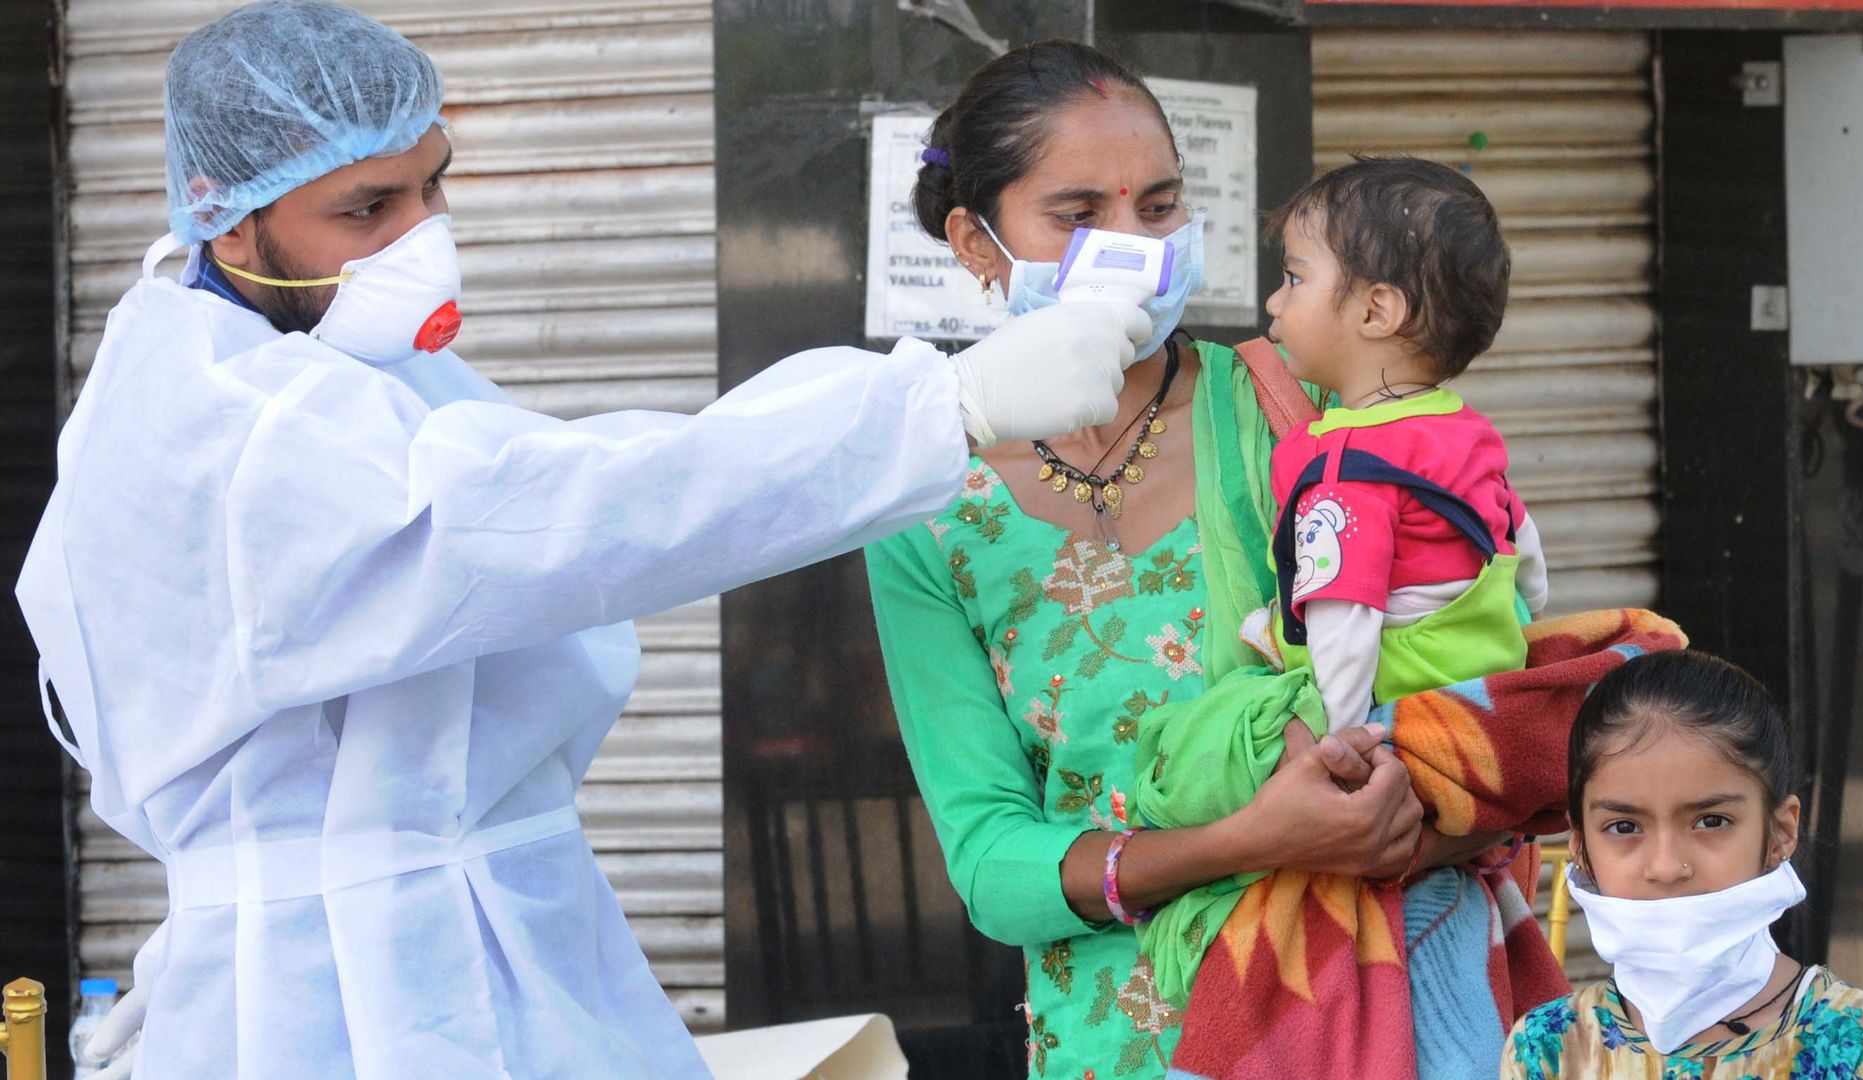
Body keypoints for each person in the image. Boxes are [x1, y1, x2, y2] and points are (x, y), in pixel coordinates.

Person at [14, 3, 1156, 1078]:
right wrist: (937, 410)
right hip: (325, 998)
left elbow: (582, 490)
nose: (424, 237)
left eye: (434, 187)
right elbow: (562, 519)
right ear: (225, 211)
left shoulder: (350, 373)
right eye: (368, 209)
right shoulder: (224, 425)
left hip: (485, 941)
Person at [865, 42, 1501, 1079]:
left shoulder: (1296, 413)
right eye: (1079, 216)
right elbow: (991, 862)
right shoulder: (925, 503)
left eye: (1158, 207)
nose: (1134, 244)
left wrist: (1398, 816)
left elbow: (1469, 677)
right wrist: (1250, 839)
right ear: (976, 245)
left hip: (1354, 1016)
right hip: (1110, 1039)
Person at [1245, 156, 1549, 734]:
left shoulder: (1341, 465)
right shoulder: (1461, 425)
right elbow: (1519, 542)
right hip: (1480, 682)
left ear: (1376, 310)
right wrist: (1531, 616)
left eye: (1294, 279)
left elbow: (1344, 615)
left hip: (1402, 710)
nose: (1274, 303)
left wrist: (1340, 738)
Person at [1501, 650, 1863, 1078]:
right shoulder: (1547, 1047)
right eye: (1624, 827)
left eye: (1711, 821)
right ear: (1581, 846)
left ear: (1781, 833)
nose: (1666, 866)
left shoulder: (1852, 1035)